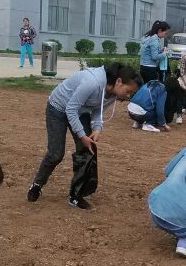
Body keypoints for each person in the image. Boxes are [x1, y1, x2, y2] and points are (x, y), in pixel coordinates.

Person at [28, 62, 139, 208]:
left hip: (80, 110)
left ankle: (76, 195)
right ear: (119, 81)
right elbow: (70, 109)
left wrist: (97, 128)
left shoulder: (113, 93)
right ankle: (37, 184)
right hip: (58, 108)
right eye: (128, 91)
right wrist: (82, 135)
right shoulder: (92, 83)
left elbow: (98, 110)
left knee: (88, 150)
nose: (128, 96)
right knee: (56, 154)